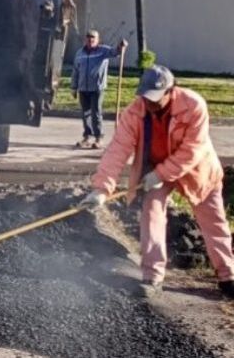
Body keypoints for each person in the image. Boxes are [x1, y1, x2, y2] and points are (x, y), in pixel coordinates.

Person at [81, 66, 234, 299]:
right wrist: (102, 188)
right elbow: (117, 151)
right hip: (154, 168)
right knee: (151, 214)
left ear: (171, 91)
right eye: (146, 97)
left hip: (196, 170)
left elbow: (193, 150)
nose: (149, 104)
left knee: (213, 221)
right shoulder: (134, 112)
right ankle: (152, 277)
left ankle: (227, 277)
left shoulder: (194, 105)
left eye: (155, 98)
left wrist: (160, 175)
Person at [71, 31, 127, 148]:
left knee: (96, 113)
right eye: (88, 38)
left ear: (97, 39)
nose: (90, 40)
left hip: (97, 88)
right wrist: (74, 87)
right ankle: (87, 137)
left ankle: (98, 138)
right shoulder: (80, 53)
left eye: (93, 38)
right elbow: (75, 71)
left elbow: (115, 52)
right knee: (86, 113)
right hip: (83, 88)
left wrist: (120, 47)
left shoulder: (103, 51)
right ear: (85, 40)